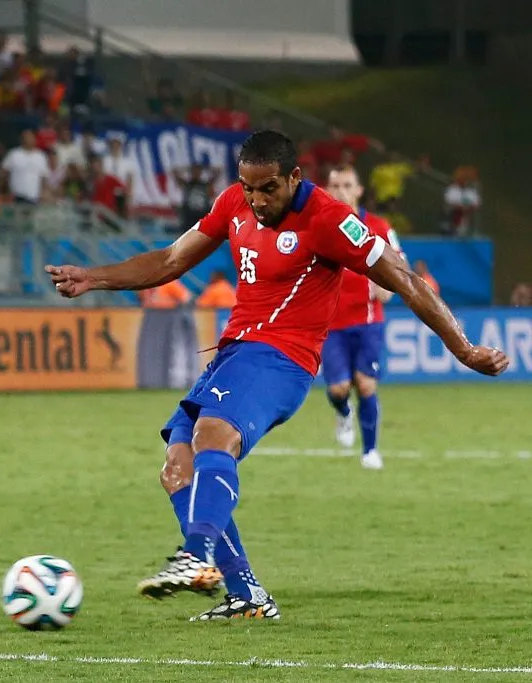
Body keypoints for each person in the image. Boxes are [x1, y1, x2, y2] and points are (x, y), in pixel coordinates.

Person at [44, 130, 508, 622]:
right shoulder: (233, 204)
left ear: (294, 178)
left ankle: (195, 555)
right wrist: (95, 277)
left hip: (283, 359)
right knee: (176, 466)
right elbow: (170, 260)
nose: (257, 200)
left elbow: (406, 280)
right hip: (235, 354)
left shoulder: (329, 220)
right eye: (248, 188)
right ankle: (246, 594)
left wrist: (463, 347)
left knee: (212, 436)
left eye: (269, 189)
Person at [321, 164, 403, 471]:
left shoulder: (379, 227)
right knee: (338, 389)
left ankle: (370, 451)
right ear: (328, 191)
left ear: (358, 190)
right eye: (335, 185)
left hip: (368, 322)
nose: (341, 191)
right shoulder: (321, 228)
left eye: (347, 185)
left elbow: (399, 268)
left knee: (366, 384)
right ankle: (343, 413)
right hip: (330, 326)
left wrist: (387, 288)